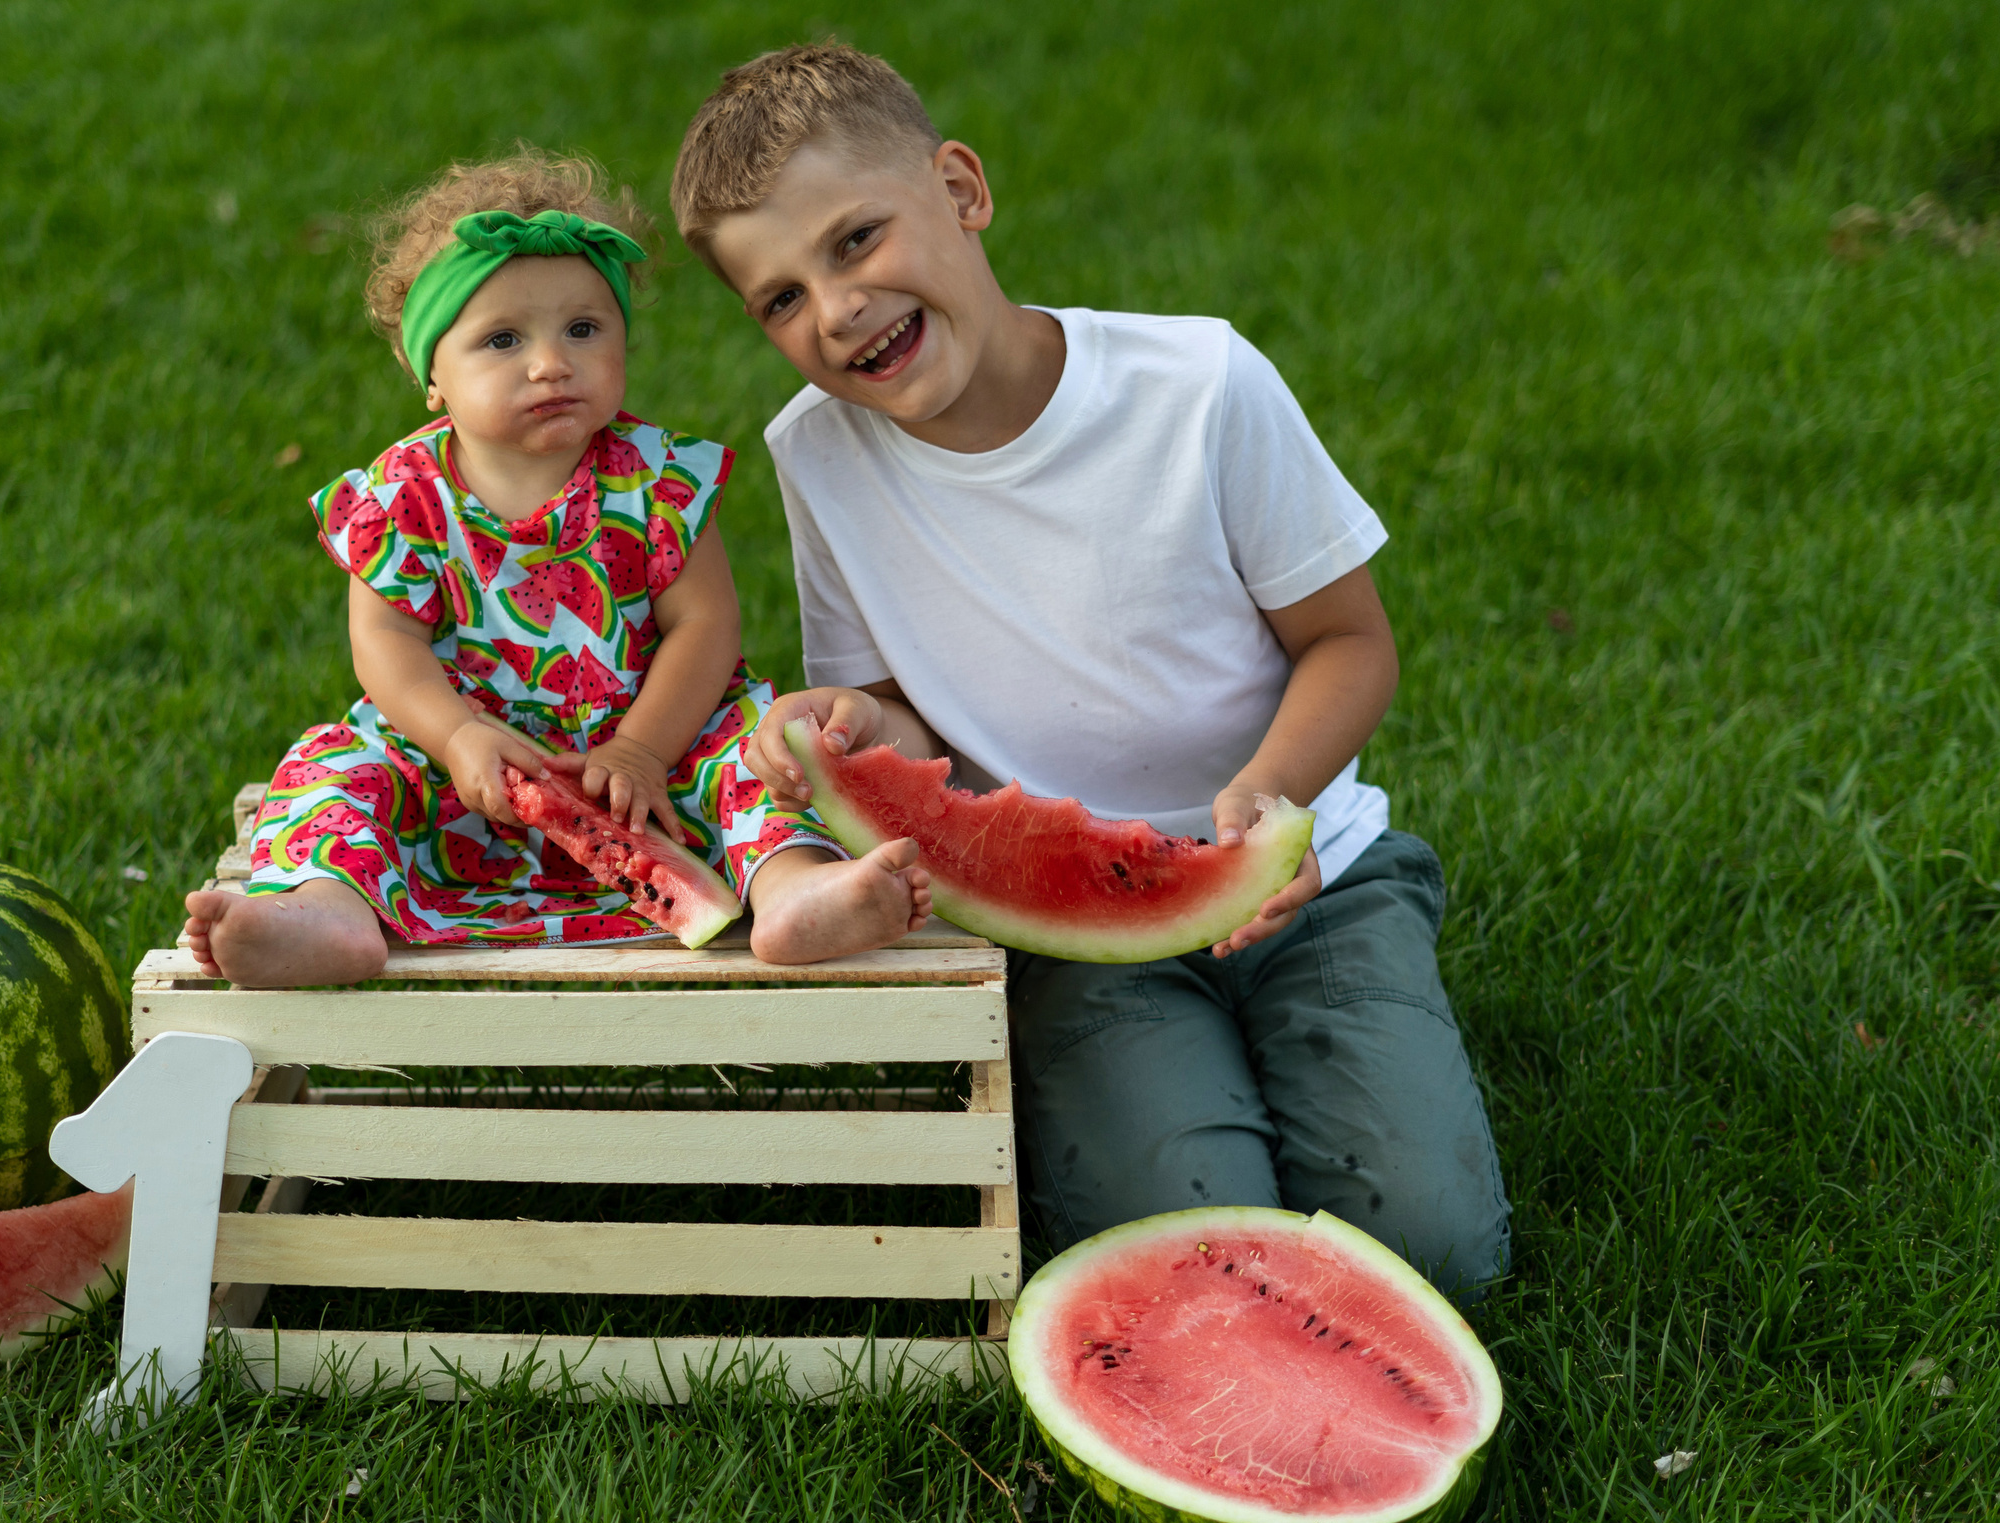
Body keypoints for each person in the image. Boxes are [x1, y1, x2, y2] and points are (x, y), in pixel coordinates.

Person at [674, 47, 1509, 1298]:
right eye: (780, 299)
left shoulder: (1201, 386)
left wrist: (1271, 801)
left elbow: (1349, 643)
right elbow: (905, 724)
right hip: (1064, 930)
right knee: (1179, 1243)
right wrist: (852, 721)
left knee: (1437, 1249)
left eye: (855, 242)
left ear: (960, 190)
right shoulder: (818, 453)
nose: (834, 310)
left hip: (1310, 873)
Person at [184, 149, 931, 987]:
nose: (550, 362)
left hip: (655, 764)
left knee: (754, 762)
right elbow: (385, 645)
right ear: (432, 376)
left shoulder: (656, 479)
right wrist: (457, 735)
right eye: (503, 339)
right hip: (461, 777)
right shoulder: (402, 498)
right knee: (338, 772)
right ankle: (326, 910)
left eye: (583, 329)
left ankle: (796, 892)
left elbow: (706, 625)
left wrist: (646, 749)